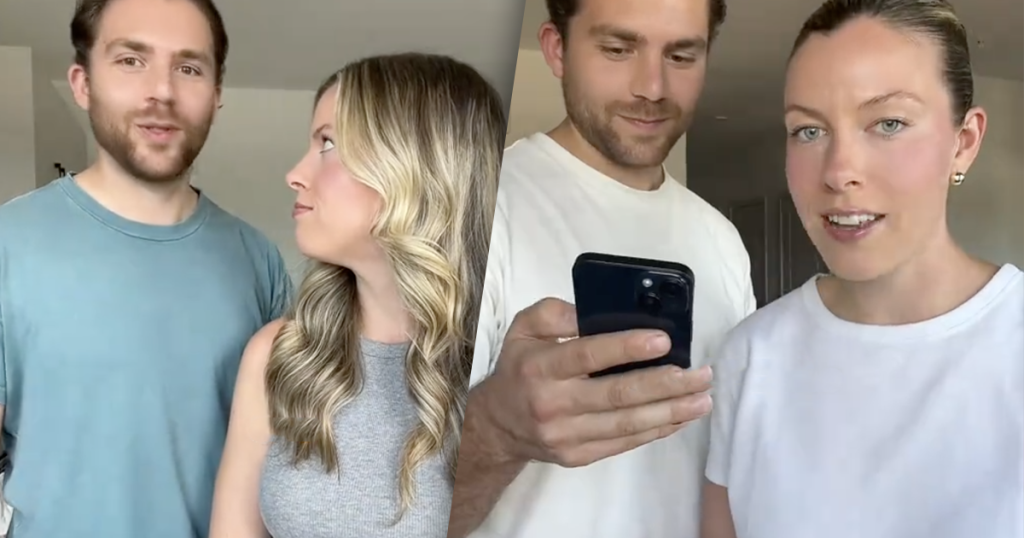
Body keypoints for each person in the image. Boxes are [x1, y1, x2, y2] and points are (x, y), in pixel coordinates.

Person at [700, 1, 1024, 537]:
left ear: (964, 143)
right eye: (808, 131)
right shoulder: (751, 358)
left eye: (888, 123)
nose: (839, 171)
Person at [447, 0, 756, 537]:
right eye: (618, 49)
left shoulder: (722, 240)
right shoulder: (470, 212)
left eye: (682, 56)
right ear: (556, 50)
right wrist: (496, 431)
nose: (653, 87)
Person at [0, 0, 294, 536]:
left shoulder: (260, 262)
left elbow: (283, 469)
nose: (162, 91)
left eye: (189, 67)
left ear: (216, 94)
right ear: (83, 83)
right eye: (131, 60)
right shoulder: (8, 245)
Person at [207, 52, 505, 538]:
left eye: (327, 143)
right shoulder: (279, 355)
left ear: (412, 165)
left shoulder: (503, 361)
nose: (294, 174)